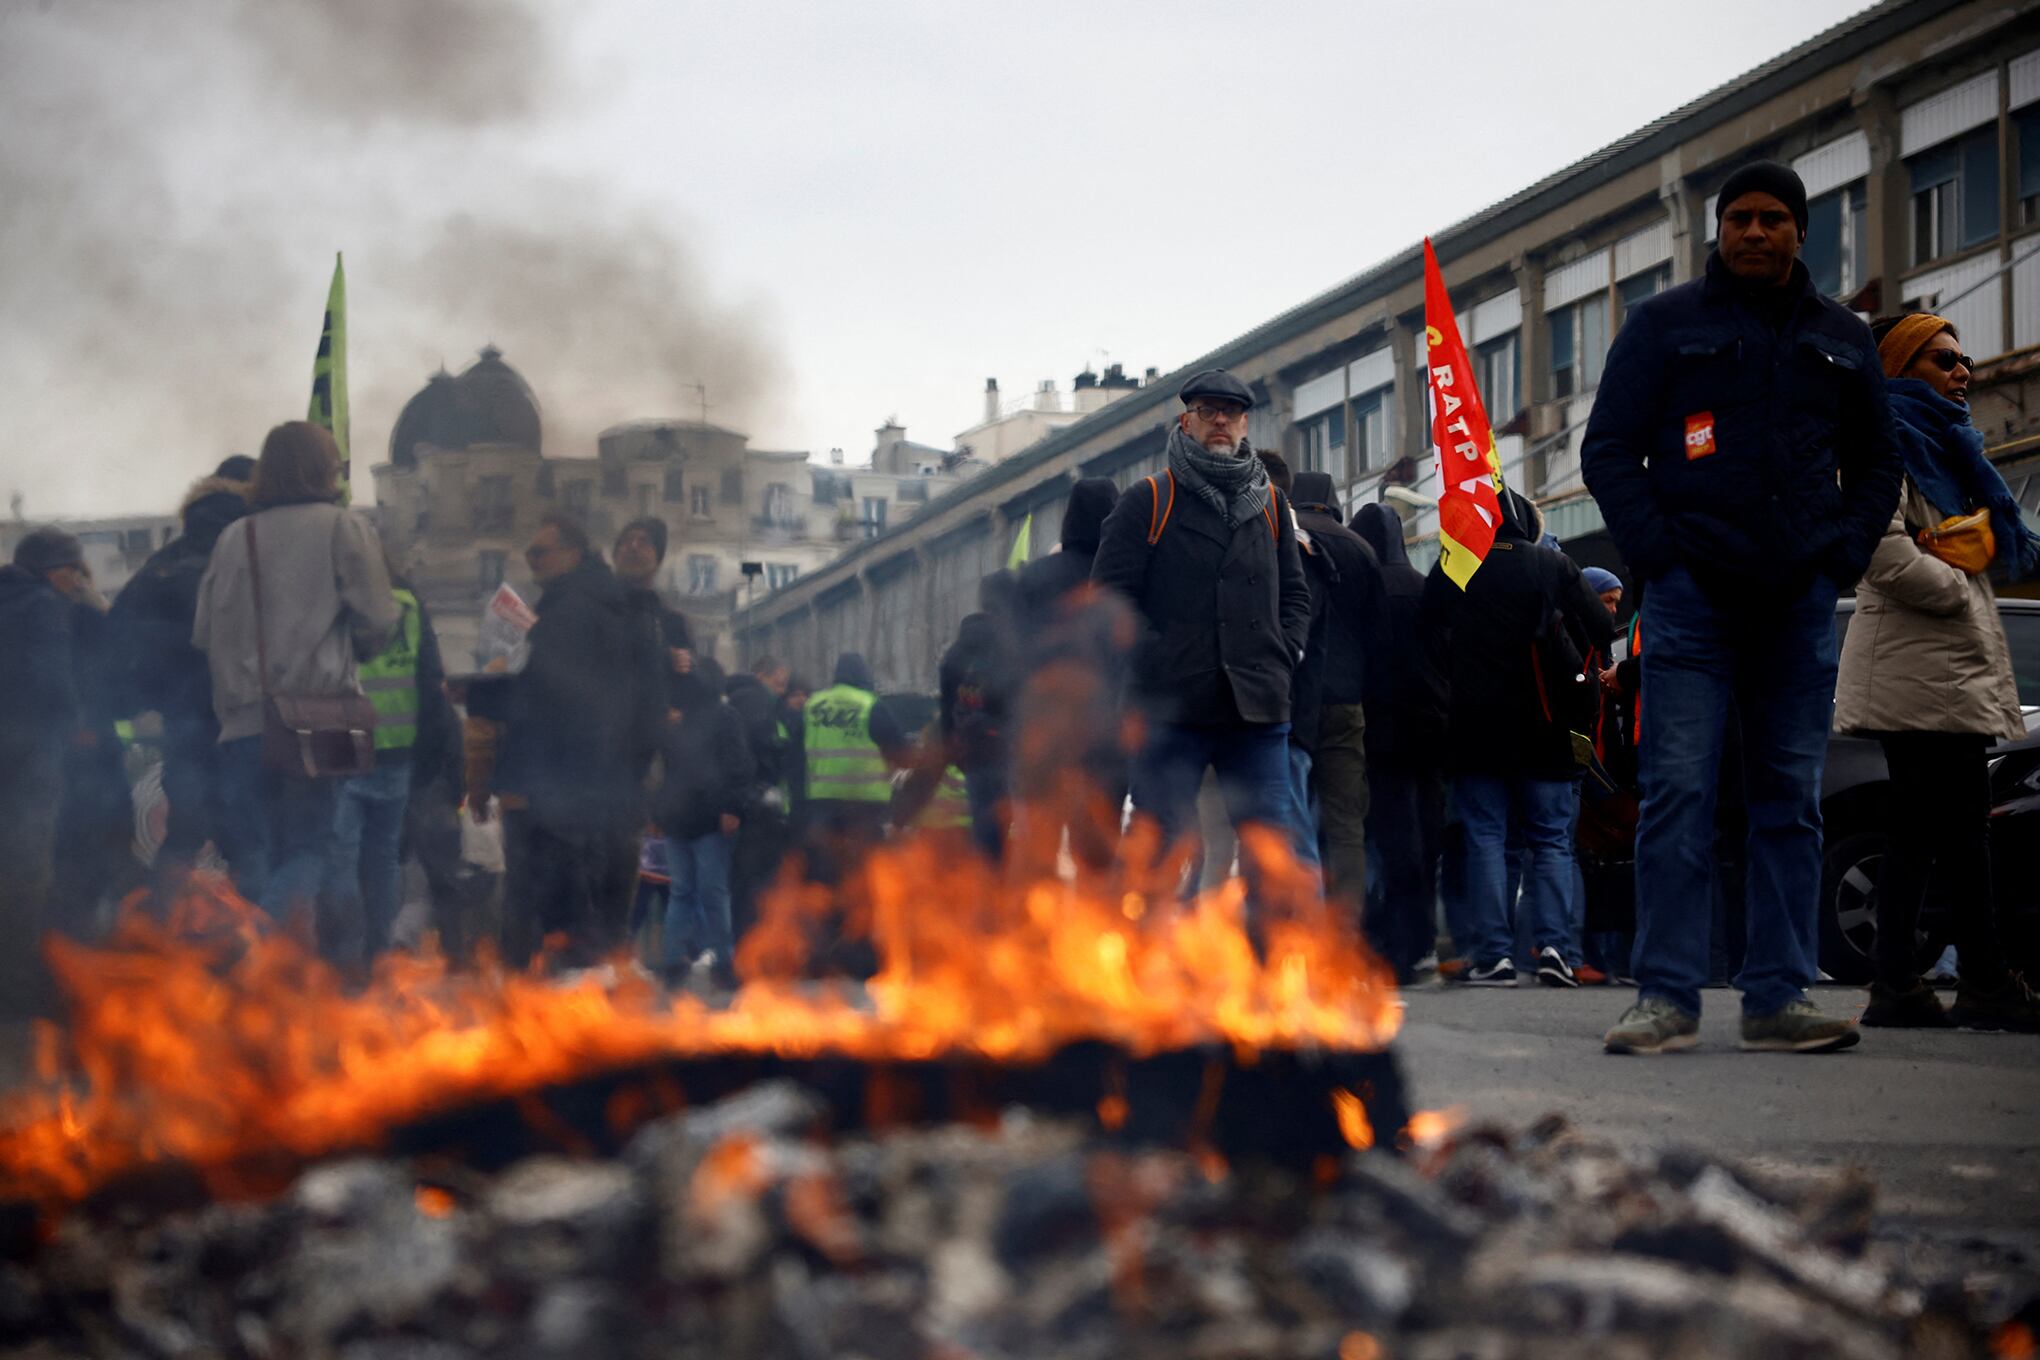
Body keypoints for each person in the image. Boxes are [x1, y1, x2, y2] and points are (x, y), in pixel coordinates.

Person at [1582, 160, 1902, 1054]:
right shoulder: (1663, 325)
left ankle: (1776, 997)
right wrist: (1660, 556)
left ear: (1802, 231)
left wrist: (1837, 559)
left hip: (1796, 606)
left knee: (1789, 804)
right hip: (1691, 606)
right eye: (1738, 219)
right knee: (1678, 796)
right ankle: (1667, 998)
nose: (1754, 233)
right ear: (1717, 231)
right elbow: (1607, 449)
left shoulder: (1843, 336)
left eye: (1772, 219)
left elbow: (1878, 461)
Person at [1840, 314, 2040, 1031]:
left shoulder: (1951, 450)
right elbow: (1879, 550)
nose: (1963, 372)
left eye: (1964, 359)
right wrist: (1958, 592)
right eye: (1943, 359)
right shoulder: (1883, 441)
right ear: (1899, 368)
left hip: (1941, 665)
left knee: (1931, 830)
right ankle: (1978, 982)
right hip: (1915, 664)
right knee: (1950, 829)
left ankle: (1906, 984)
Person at [1091, 369, 1309, 891]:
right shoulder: (1149, 500)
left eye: (1229, 413)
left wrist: (1287, 652)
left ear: (1245, 424)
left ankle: (1267, 963)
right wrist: (1155, 661)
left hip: (1255, 704)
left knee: (1269, 843)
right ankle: (1151, 962)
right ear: (1186, 421)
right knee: (1161, 841)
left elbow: (1296, 594)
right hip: (1172, 708)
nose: (1219, 421)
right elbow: (1108, 600)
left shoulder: (1271, 503)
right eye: (1208, 411)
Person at [193, 423, 399, 918]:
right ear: (323, 468)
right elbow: (378, 618)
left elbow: (202, 633)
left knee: (257, 857)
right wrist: (355, 651)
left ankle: (253, 976)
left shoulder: (231, 537)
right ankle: (253, 946)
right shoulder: (342, 526)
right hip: (323, 717)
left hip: (241, 723)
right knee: (311, 849)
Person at [1420, 490, 1614, 988]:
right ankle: (1554, 947)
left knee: (1487, 838)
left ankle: (1493, 955)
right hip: (1548, 729)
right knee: (1551, 841)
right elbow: (1601, 625)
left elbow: (1427, 625)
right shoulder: (1554, 564)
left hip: (1474, 732)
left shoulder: (1458, 568)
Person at [464, 512, 664, 969]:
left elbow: (545, 696)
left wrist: (481, 691)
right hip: (599, 787)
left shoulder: (567, 614)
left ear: (573, 554)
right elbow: (644, 704)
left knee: (542, 906)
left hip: (550, 787)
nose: (532, 559)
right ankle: (587, 1003)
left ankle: (533, 1008)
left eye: (541, 551)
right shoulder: (611, 609)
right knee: (587, 910)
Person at [104, 457, 253, 884]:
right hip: (248, 721)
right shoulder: (254, 556)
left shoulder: (164, 561)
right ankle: (264, 945)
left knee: (184, 835)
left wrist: (142, 698)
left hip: (184, 724)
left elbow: (118, 638)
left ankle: (160, 931)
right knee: (251, 842)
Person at [319, 565, 459, 973]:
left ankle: (346, 957)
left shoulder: (336, 604)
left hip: (344, 746)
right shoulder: (409, 604)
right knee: (383, 862)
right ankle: (379, 957)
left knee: (341, 860)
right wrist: (428, 755)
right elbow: (432, 683)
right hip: (398, 750)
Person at [1352, 503, 1446, 980]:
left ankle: (1390, 942)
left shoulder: (1363, 589)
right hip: (1429, 730)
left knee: (1387, 839)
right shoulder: (1424, 586)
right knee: (1426, 836)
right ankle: (1423, 939)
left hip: (1379, 732)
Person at [1289, 470, 1386, 911]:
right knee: (1347, 821)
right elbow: (1375, 628)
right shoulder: (1361, 549)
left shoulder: (1281, 539)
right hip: (1347, 701)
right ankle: (1344, 936)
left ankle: (1297, 925)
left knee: (1290, 814)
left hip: (1292, 698)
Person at [0, 529, 85, 1013]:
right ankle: (18, 993)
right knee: (27, 874)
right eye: (73, 572)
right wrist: (75, 725)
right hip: (30, 761)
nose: (75, 583)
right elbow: (55, 682)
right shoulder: (44, 608)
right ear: (55, 571)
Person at [652, 656, 753, 986]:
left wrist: (659, 812)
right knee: (714, 892)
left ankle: (672, 963)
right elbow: (738, 765)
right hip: (710, 818)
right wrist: (732, 808)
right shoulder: (725, 716)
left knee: (681, 892)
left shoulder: (673, 721)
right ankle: (723, 963)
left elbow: (663, 770)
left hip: (678, 817)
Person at [800, 652, 911, 883]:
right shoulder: (870, 705)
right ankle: (862, 916)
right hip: (865, 806)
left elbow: (796, 752)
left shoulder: (812, 705)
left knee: (826, 873)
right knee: (867, 872)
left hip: (822, 803)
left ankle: (830, 917)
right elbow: (902, 752)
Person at [724, 655, 795, 944]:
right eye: (779, 682)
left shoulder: (738, 701)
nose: (782, 689)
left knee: (745, 883)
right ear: (762, 675)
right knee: (755, 884)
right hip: (758, 807)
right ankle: (751, 949)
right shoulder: (756, 703)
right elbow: (761, 750)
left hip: (747, 805)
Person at [935, 610, 1014, 856]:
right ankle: (1002, 875)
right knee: (1007, 817)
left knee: (981, 817)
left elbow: (946, 711)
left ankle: (985, 876)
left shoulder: (953, 658)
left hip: (971, 754)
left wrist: (952, 746)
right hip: (1001, 752)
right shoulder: (1002, 654)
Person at [614, 517, 694, 709]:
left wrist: (687, 664)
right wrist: (664, 659)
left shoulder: (671, 620)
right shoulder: (596, 607)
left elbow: (690, 686)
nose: (633, 547)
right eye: (627, 541)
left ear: (658, 559)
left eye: (644, 542)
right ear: (616, 555)